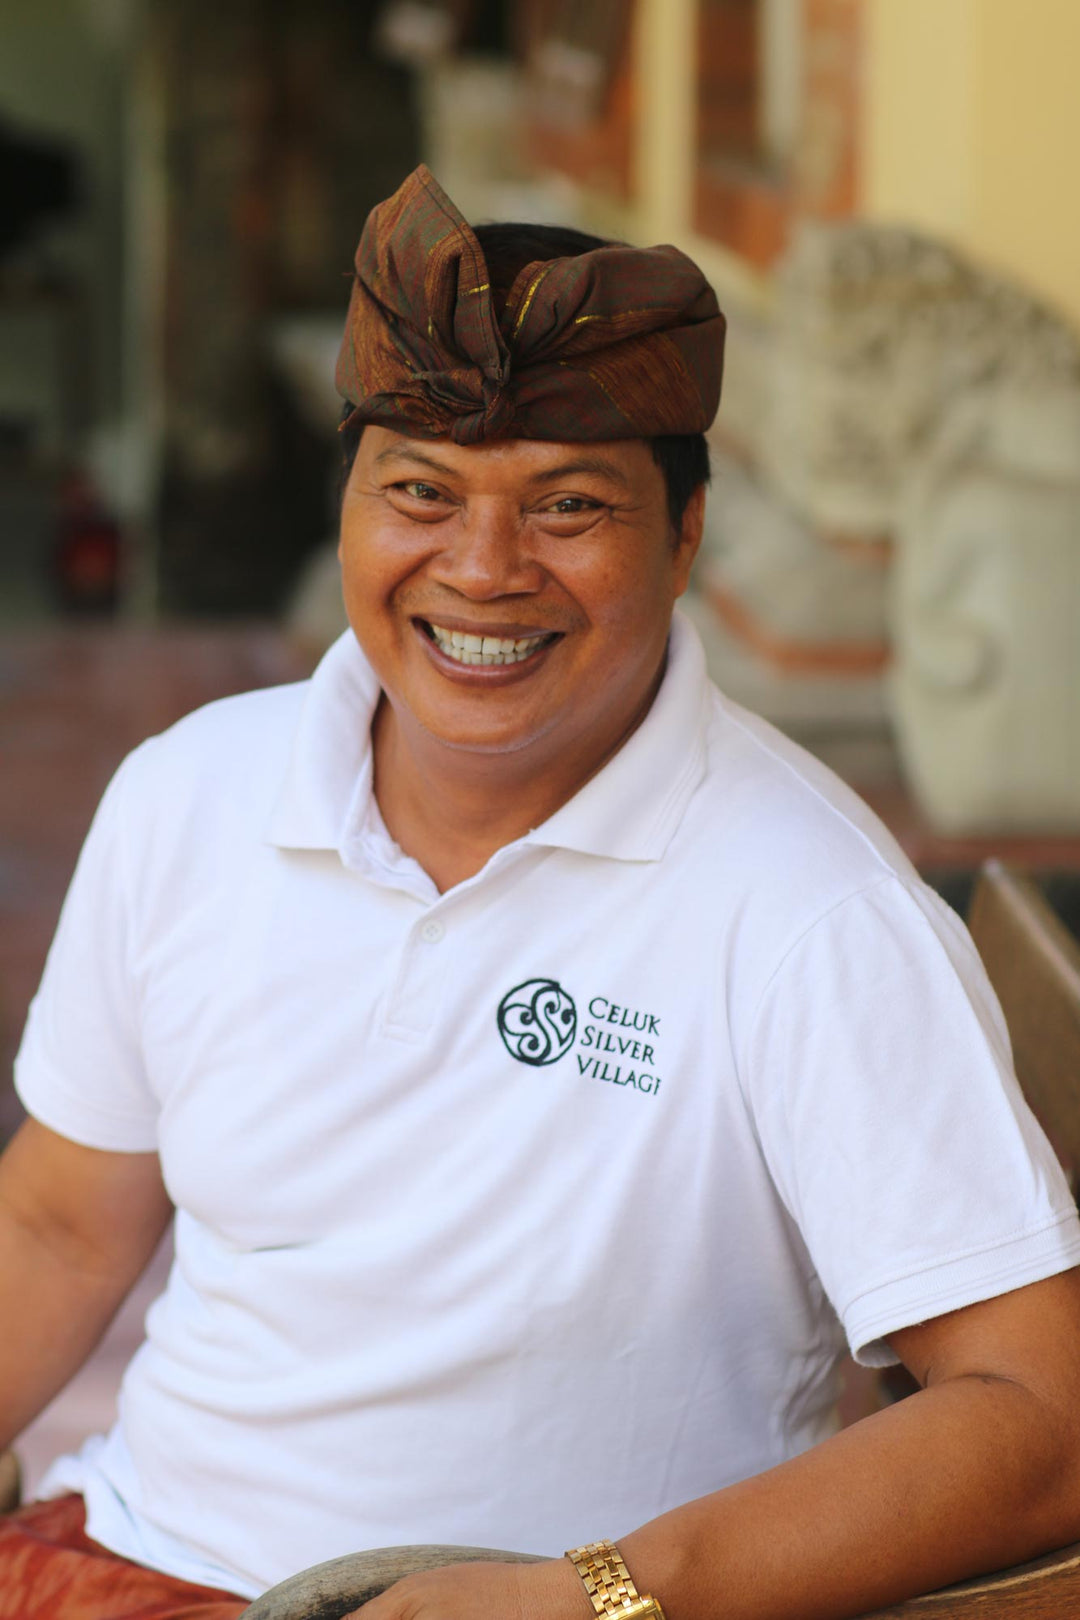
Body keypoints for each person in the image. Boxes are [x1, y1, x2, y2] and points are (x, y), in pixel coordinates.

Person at [2, 164, 1080, 1620]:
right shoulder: (190, 792)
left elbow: (1040, 1410)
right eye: (421, 493)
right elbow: (61, 1226)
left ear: (685, 538)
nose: (484, 571)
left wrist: (596, 1595)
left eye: (568, 505)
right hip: (122, 1557)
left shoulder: (812, 911)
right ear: (349, 511)